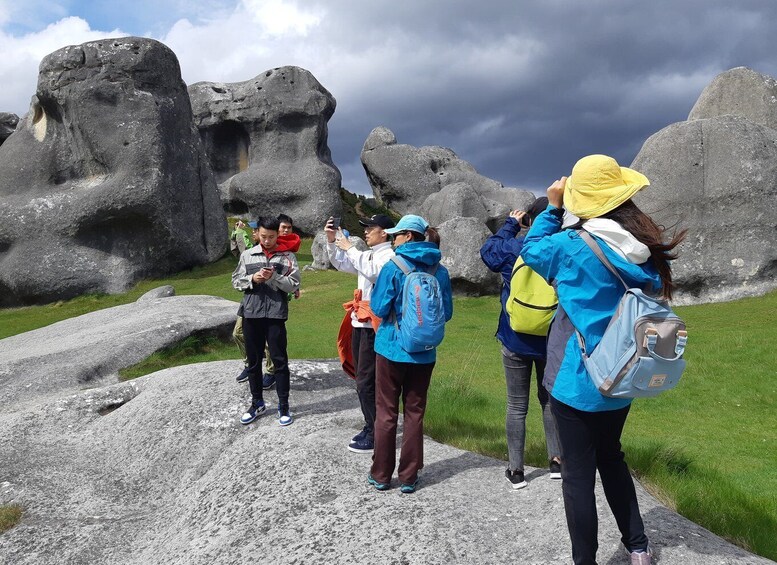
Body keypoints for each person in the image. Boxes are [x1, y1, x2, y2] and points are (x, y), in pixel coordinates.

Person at [521, 155, 685, 565]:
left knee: (577, 473)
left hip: (579, 379)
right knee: (611, 456)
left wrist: (554, 206)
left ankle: (586, 561)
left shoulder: (570, 246)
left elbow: (531, 250)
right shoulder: (642, 248)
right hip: (626, 373)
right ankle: (639, 548)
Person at [479, 197, 562, 490]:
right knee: (550, 402)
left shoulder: (515, 247)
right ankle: (557, 461)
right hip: (551, 341)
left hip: (514, 338)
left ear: (531, 220)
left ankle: (516, 470)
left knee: (517, 406)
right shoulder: (562, 247)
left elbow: (488, 253)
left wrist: (510, 225)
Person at [368, 215, 453, 493]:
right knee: (415, 413)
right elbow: (447, 313)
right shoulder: (439, 269)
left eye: (397, 235)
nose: (393, 240)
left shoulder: (394, 266)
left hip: (392, 348)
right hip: (425, 352)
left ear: (408, 236)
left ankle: (381, 474)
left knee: (386, 412)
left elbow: (379, 308)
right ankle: (409, 476)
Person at [326, 214, 396, 454]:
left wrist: (349, 247)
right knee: (362, 377)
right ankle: (373, 425)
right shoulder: (369, 254)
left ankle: (376, 432)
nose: (365, 231)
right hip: (360, 323)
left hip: (373, 327)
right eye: (365, 227)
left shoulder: (389, 255)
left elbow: (375, 273)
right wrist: (332, 240)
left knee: (367, 382)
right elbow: (343, 264)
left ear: (384, 232)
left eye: (370, 227)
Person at [232, 216, 301, 426]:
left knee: (279, 361)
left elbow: (294, 284)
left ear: (278, 234)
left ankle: (284, 406)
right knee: (253, 362)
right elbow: (236, 281)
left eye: (272, 236)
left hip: (275, 315)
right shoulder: (247, 254)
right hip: (251, 313)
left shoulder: (288, 256)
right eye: (264, 236)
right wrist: (252, 279)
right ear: (257, 234)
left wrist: (274, 278)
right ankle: (257, 403)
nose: (268, 240)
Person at [261, 213, 301, 389]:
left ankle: (271, 372)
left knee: (273, 338)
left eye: (288, 228)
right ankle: (250, 364)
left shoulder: (290, 250)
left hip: (277, 295)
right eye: (282, 228)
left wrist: (294, 287)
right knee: (240, 332)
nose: (285, 231)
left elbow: (292, 273)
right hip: (257, 296)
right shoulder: (265, 241)